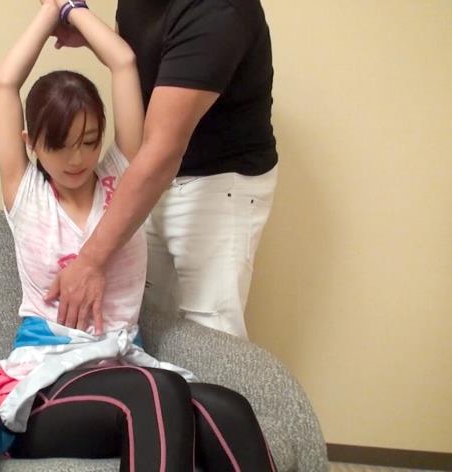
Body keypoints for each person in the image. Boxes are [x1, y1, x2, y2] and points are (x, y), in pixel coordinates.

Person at [0, 1, 277, 470]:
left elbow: (124, 62)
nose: (77, 159)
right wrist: (53, 9)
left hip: (119, 365)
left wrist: (76, 10)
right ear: (31, 143)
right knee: (155, 390)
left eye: (89, 141)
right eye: (60, 145)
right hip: (46, 384)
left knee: (229, 409)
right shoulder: (26, 193)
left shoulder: (121, 180)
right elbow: (4, 83)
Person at [44, 0, 279, 340]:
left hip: (219, 182)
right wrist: (88, 33)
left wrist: (90, 261)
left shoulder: (219, 10)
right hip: (157, 173)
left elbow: (162, 150)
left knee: (210, 331)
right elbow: (142, 60)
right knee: (148, 316)